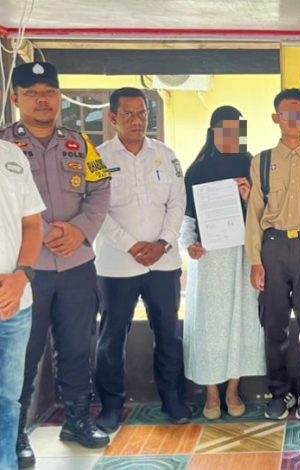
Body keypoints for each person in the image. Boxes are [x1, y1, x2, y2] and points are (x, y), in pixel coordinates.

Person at [0, 62, 112, 468]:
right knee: (23, 354)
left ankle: (77, 421)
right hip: (25, 271)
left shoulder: (82, 144)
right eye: (32, 93)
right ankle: (15, 434)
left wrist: (80, 230)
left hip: (77, 264)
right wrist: (48, 232)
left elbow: (101, 189)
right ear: (16, 99)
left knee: (78, 346)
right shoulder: (5, 147)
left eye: (49, 91)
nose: (42, 100)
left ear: (60, 96)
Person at [93, 87, 190, 432]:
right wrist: (132, 245)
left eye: (142, 113)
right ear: (113, 117)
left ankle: (173, 399)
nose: (137, 121)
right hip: (116, 265)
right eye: (128, 114)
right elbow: (96, 210)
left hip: (163, 263)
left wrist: (163, 243)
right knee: (111, 338)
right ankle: (110, 406)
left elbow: (177, 203)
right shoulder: (97, 158)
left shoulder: (166, 154)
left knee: (168, 335)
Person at [245, 88, 300, 420]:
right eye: (287, 114)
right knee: (274, 324)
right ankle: (279, 392)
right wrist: (256, 260)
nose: (293, 120)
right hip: (273, 246)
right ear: (276, 118)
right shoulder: (262, 161)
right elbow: (254, 212)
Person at [182, 106, 265, 420]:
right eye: (224, 131)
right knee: (210, 325)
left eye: (236, 131)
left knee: (240, 320)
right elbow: (187, 217)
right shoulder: (196, 171)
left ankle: (233, 390)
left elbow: (264, 213)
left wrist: (249, 197)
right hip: (209, 256)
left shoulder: (252, 166)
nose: (230, 137)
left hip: (243, 254)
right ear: (212, 133)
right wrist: (189, 245)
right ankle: (212, 394)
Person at [0, 138, 44, 470]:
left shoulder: (12, 155)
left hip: (15, 302)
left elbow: (31, 224)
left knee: (6, 401)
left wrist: (21, 277)